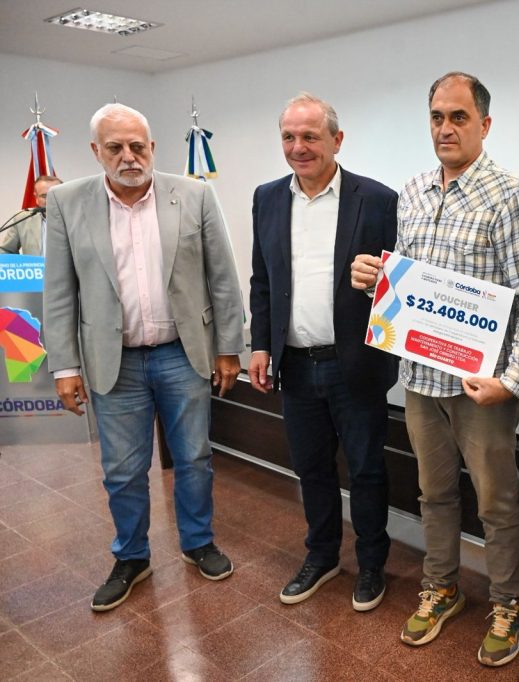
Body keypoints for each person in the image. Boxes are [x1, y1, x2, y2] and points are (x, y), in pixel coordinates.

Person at [351, 72, 519, 667]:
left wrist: (511, 380)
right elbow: (410, 288)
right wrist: (374, 281)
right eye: (437, 117)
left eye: (458, 117)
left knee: (496, 503)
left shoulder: (511, 196)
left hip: (480, 388)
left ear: (484, 124)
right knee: (433, 495)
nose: (445, 128)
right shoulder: (412, 192)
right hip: (419, 380)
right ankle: (441, 587)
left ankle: (509, 601)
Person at [43, 103, 244, 611]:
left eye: (138, 146)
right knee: (123, 470)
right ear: (97, 151)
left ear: (152, 147)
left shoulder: (193, 195)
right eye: (115, 148)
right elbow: (60, 291)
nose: (128, 157)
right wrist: (65, 367)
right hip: (115, 362)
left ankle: (198, 543)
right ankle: (132, 556)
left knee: (194, 458)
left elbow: (222, 277)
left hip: (182, 354)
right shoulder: (68, 202)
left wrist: (228, 349)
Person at [249, 92, 398, 609]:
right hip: (294, 364)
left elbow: (400, 282)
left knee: (367, 470)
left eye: (310, 136)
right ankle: (322, 555)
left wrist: (379, 283)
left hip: (355, 364)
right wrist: (260, 345)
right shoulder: (268, 198)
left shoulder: (376, 199)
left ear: (337, 139)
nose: (299, 147)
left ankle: (372, 564)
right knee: (310, 468)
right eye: (289, 137)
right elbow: (262, 280)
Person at [0, 175, 62, 255]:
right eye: (44, 196)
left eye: (54, 195)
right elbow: (5, 251)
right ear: (36, 198)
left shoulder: (75, 219)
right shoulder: (22, 219)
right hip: (33, 264)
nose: (50, 200)